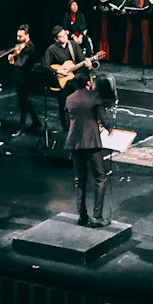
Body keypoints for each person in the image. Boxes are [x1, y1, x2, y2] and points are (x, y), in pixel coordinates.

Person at [64, 71, 114, 227]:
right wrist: (109, 127)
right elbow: (103, 118)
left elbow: (70, 120)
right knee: (101, 177)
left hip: (74, 142)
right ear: (88, 82)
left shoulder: (69, 98)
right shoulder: (94, 96)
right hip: (91, 142)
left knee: (80, 180)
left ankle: (82, 216)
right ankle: (97, 217)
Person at [9, 24, 41, 136]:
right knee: (24, 101)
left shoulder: (30, 48)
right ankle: (36, 122)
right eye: (17, 36)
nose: (18, 39)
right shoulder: (21, 46)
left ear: (27, 35)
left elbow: (21, 63)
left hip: (26, 79)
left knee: (23, 103)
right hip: (20, 78)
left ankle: (21, 127)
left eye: (20, 36)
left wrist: (13, 61)